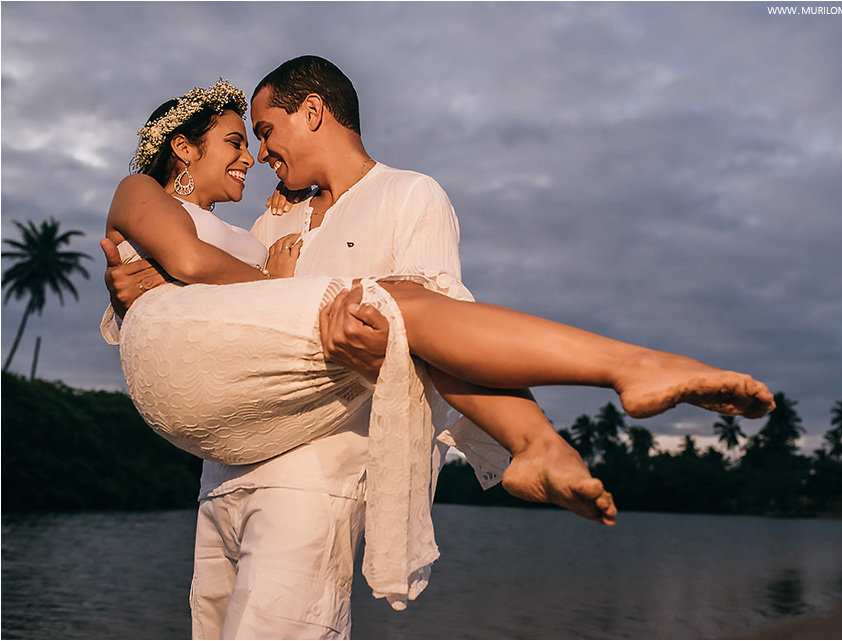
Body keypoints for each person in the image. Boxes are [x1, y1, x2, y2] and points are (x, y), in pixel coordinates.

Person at [102, 58, 773, 639]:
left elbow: (438, 330)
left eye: (267, 131)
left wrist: (372, 350)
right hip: (224, 464)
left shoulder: (408, 194)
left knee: (403, 307)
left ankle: (608, 382)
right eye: (242, 139)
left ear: (313, 112)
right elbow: (217, 287)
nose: (259, 152)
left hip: (314, 474)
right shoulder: (272, 216)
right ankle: (546, 431)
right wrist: (156, 276)